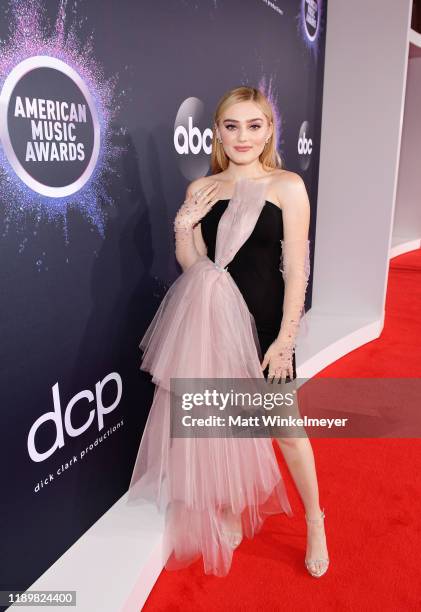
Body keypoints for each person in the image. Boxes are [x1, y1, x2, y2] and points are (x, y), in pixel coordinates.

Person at [128, 86, 329, 578]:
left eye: (253, 126)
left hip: (265, 330)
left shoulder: (287, 186)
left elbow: (296, 271)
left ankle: (315, 520)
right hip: (213, 325)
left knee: (286, 430)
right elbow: (196, 265)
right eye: (232, 126)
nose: (243, 136)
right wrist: (183, 227)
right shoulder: (202, 189)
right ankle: (232, 509)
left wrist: (285, 341)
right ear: (217, 132)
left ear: (268, 131)